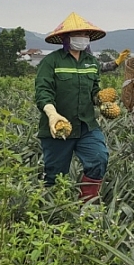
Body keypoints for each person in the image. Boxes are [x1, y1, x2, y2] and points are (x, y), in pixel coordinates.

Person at [34, 12, 111, 201]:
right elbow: (43, 92)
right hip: (58, 127)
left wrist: (101, 99)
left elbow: (93, 91)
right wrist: (52, 115)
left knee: (99, 158)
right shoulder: (51, 61)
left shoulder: (91, 62)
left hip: (86, 125)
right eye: (78, 34)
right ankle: (52, 211)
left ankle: (86, 203)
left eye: (85, 34)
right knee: (55, 174)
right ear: (65, 38)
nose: (82, 38)